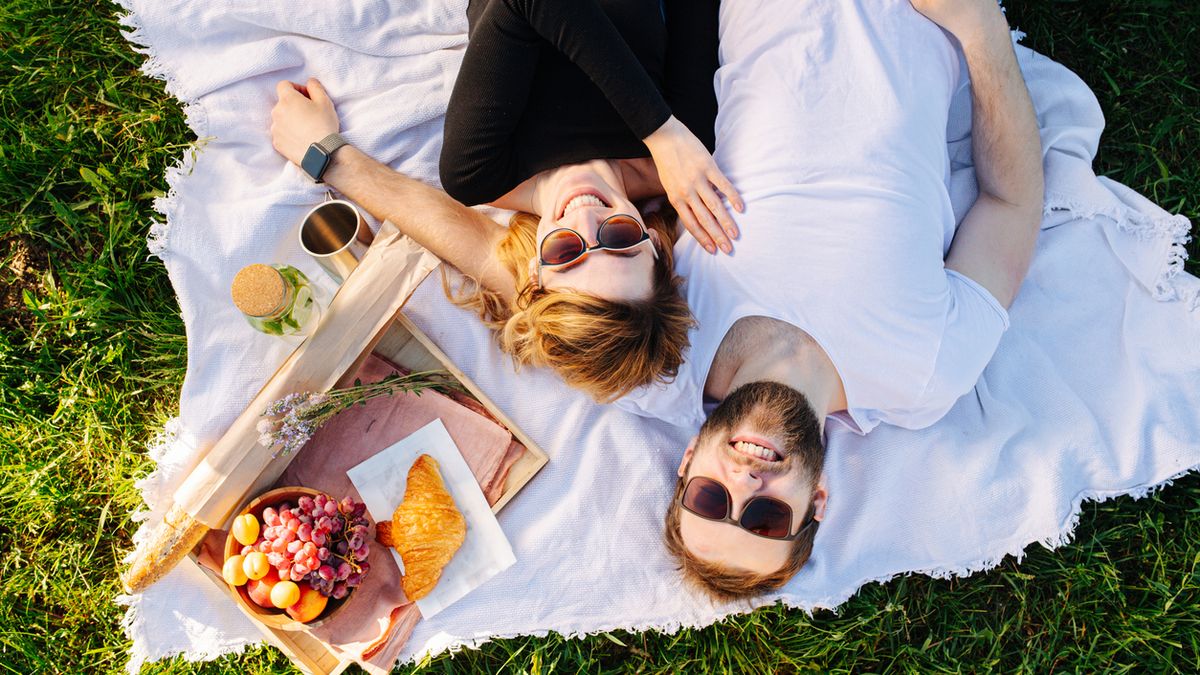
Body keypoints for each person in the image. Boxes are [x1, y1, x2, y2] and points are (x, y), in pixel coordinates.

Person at [616, 0, 1044, 599]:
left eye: (711, 500)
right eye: (765, 519)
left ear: (687, 461)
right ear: (816, 501)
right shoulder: (923, 374)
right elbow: (1012, 206)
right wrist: (979, 29)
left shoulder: (662, 349)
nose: (744, 484)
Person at [270, 0, 742, 403]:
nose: (586, 218)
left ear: (534, 269)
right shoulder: (682, 152)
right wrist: (664, 134)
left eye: (566, 251)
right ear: (657, 247)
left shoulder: (478, 171)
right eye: (618, 239)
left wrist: (661, 130)